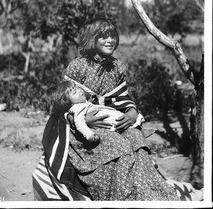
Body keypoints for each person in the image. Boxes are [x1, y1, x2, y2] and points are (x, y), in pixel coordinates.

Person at [32, 18, 203, 201]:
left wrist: (131, 112)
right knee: (118, 144)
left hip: (111, 120)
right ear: (92, 39)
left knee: (136, 138)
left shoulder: (117, 67)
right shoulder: (78, 66)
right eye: (103, 36)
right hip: (85, 127)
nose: (110, 40)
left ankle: (149, 190)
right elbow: (62, 101)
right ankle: (120, 194)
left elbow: (121, 97)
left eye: (113, 35)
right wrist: (80, 120)